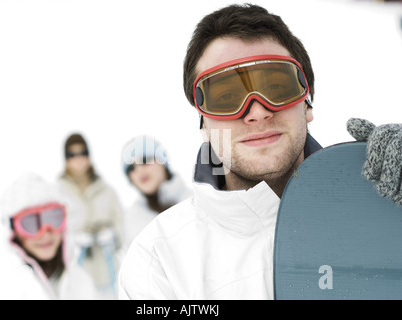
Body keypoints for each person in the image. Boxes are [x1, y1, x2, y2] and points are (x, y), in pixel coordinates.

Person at [117, 3, 402, 299]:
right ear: (204, 125)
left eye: (277, 86)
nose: (257, 111)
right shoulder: (160, 260)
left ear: (307, 105)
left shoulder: (381, 208)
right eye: (225, 96)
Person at [0, 172, 101, 300]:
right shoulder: (3, 288)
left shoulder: (81, 282)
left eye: (53, 218)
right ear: (13, 232)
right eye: (30, 223)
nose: (45, 232)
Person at [57, 133, 124, 299]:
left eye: (83, 153)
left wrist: (112, 235)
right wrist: (74, 239)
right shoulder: (57, 194)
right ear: (65, 158)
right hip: (76, 275)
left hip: (108, 277)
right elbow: (53, 234)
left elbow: (123, 226)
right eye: (72, 154)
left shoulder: (107, 191)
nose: (78, 158)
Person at [120, 135, 192, 248]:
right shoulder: (133, 222)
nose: (139, 170)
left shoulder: (198, 202)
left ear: (162, 162)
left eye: (144, 160)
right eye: (131, 168)